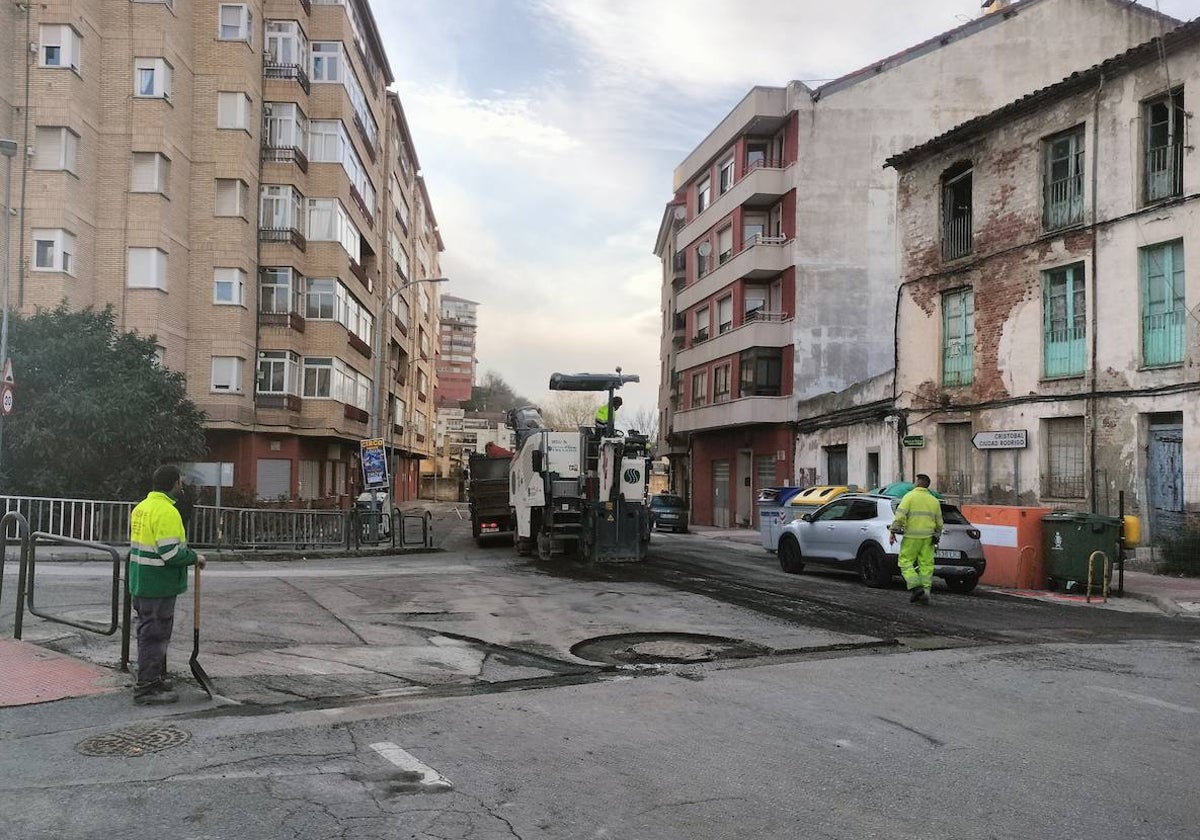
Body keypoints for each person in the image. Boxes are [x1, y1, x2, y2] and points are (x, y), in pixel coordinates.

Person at [129, 464, 206, 705]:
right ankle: (147, 688)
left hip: (142, 581)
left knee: (148, 631)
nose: (182, 485)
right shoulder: (167, 512)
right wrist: (195, 557)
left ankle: (154, 678)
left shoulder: (142, 508)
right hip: (158, 584)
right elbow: (171, 554)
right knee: (155, 634)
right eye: (180, 481)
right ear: (173, 483)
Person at [888, 473, 943, 605]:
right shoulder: (934, 501)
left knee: (905, 562)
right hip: (928, 538)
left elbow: (900, 517)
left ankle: (916, 587)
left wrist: (893, 531)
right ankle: (926, 593)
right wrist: (937, 536)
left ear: (918, 483)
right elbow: (939, 523)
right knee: (926, 565)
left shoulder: (909, 497)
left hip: (912, 537)